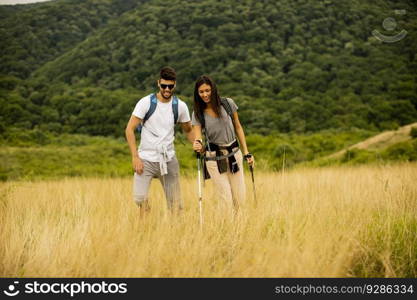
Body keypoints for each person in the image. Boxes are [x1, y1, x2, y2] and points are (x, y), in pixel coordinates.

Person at [125, 67, 194, 214]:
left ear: (175, 84)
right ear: (158, 83)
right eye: (164, 86)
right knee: (139, 198)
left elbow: (188, 130)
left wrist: (196, 143)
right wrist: (135, 156)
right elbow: (129, 129)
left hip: (168, 159)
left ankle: (176, 232)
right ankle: (146, 217)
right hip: (145, 159)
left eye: (170, 86)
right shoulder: (146, 103)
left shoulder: (180, 106)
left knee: (175, 205)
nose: (167, 89)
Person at [191, 75, 254, 212]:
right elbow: (198, 138)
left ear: (213, 89)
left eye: (207, 90)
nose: (205, 94)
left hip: (234, 155)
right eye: (201, 92)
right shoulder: (198, 113)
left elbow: (238, 127)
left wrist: (246, 153)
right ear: (197, 93)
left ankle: (241, 230)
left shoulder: (227, 104)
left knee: (240, 199)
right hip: (214, 159)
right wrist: (198, 145)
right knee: (225, 200)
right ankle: (226, 230)